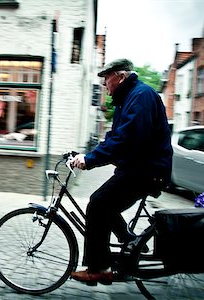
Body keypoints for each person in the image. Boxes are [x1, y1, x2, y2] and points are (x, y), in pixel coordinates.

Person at [70, 59, 173, 284]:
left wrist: (90, 159)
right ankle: (129, 240)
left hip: (147, 171)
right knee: (104, 203)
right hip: (136, 168)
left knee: (97, 204)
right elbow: (115, 139)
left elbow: (127, 139)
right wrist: (91, 157)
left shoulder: (141, 96)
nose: (104, 84)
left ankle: (99, 268)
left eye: (107, 78)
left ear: (121, 76)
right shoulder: (127, 99)